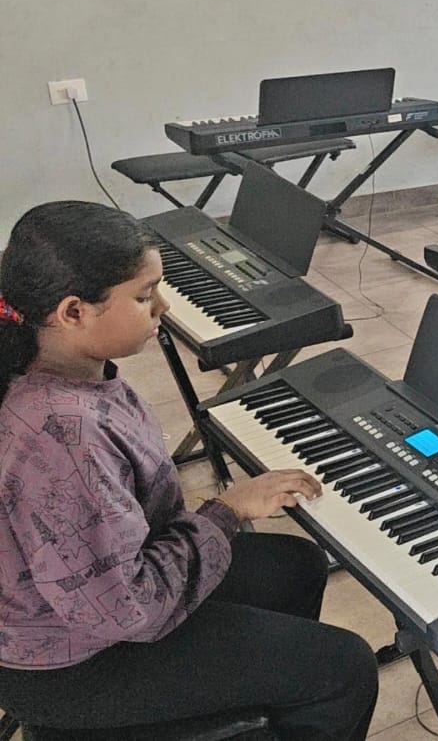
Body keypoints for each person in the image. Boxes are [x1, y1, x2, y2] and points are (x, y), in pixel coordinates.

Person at [0, 201, 377, 741]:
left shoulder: (57, 368)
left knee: (297, 565)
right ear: (74, 312)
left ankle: (260, 717)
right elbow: (129, 609)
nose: (163, 306)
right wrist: (227, 511)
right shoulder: (61, 434)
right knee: (344, 669)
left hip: (95, 603)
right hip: (72, 663)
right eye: (144, 295)